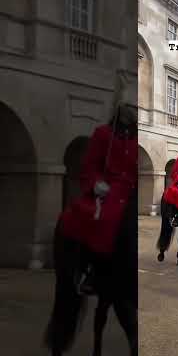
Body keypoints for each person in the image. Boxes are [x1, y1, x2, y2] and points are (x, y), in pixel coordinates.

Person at [59, 102, 137, 295]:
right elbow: (90, 165)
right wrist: (96, 183)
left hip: (132, 188)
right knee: (105, 218)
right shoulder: (103, 134)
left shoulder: (137, 137)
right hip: (108, 189)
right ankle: (92, 269)